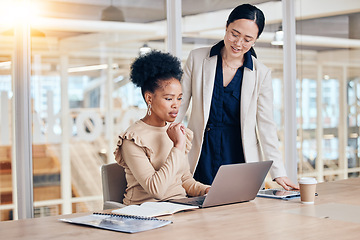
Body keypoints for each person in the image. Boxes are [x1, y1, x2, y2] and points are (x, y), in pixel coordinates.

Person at [176, 4, 298, 190]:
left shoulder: (261, 74)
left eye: (247, 39)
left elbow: (266, 124)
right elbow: (179, 105)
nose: (238, 43)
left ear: (255, 40)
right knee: (199, 205)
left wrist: (279, 172)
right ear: (226, 27)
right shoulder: (197, 58)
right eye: (235, 34)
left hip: (239, 155)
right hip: (202, 152)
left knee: (239, 211)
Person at [114, 51, 210, 205]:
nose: (176, 105)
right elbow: (156, 189)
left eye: (179, 98)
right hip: (144, 215)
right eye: (168, 98)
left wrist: (206, 190)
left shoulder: (177, 132)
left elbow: (184, 180)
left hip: (179, 208)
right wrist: (178, 146)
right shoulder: (133, 139)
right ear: (149, 98)